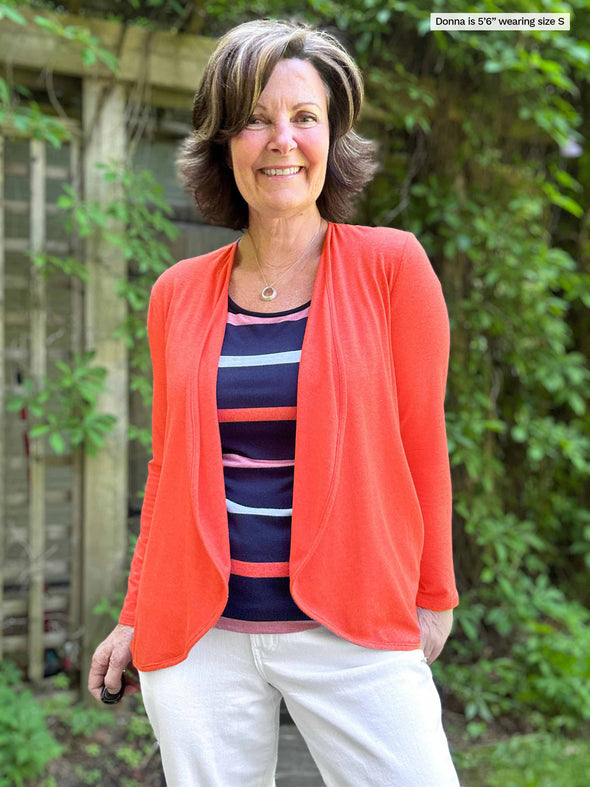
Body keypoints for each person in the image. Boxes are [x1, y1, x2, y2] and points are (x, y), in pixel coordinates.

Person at [88, 18, 460, 786]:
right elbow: (167, 469)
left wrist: (434, 595)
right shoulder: (177, 294)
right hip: (202, 639)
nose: (281, 139)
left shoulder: (394, 268)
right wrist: (135, 611)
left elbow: (423, 442)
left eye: (304, 117)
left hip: (354, 628)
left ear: (333, 137)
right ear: (226, 140)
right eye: (255, 118)